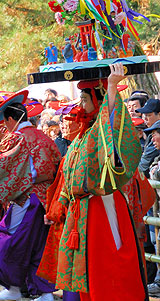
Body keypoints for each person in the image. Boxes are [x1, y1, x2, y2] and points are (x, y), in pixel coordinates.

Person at [37, 64, 149, 300]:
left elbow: (113, 121)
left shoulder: (100, 128)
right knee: (81, 269)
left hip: (101, 204)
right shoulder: (83, 134)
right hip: (79, 210)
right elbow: (68, 175)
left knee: (106, 265)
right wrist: (59, 207)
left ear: (97, 100)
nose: (80, 105)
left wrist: (110, 86)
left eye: (85, 98)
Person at [0, 90, 61, 301]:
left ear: (11, 119)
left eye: (5, 122)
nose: (4, 127)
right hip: (46, 201)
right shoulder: (44, 138)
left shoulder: (17, 139)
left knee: (5, 242)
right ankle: (44, 292)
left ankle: (13, 288)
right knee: (39, 245)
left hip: (25, 199)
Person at [136, 97, 160, 178]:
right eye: (144, 115)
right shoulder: (151, 134)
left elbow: (144, 164)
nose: (145, 119)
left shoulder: (157, 135)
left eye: (148, 115)